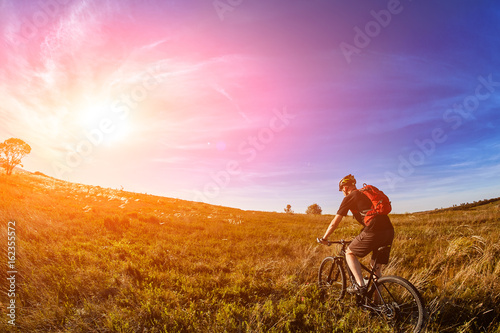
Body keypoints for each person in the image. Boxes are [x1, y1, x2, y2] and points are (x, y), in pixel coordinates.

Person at [318, 174, 394, 294]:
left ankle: (360, 286)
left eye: (341, 189)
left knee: (349, 252)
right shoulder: (365, 194)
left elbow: (335, 222)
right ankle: (377, 304)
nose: (342, 191)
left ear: (344, 188)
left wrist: (324, 238)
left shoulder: (350, 196)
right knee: (376, 270)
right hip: (389, 230)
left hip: (374, 230)